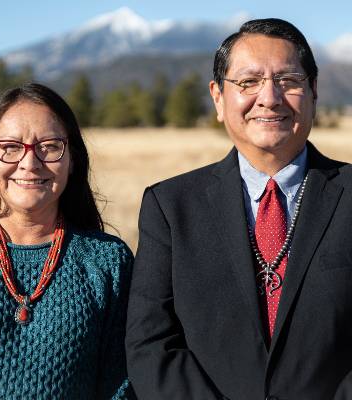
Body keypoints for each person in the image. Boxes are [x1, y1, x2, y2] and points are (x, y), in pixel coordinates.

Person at [126, 18, 352, 400]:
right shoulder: (170, 206)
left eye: (289, 80)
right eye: (248, 82)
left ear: (314, 91)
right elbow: (151, 344)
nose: (270, 97)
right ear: (218, 98)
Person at [0, 83, 134, 399]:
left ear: (72, 158)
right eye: (10, 146)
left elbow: (121, 386)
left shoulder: (107, 261)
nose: (30, 163)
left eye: (49, 147)